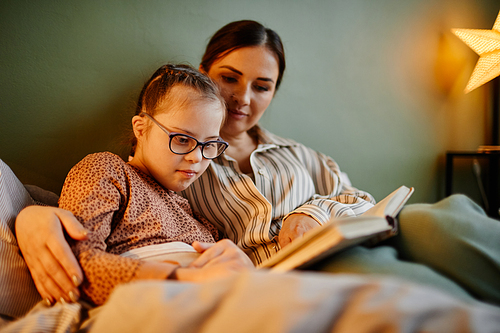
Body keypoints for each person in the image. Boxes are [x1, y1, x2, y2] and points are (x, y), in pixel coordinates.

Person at [16, 20, 500, 307]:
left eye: (262, 85)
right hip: (298, 271)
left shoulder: (296, 153)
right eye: (229, 78)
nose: (243, 98)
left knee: (444, 216)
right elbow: (96, 232)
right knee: (422, 295)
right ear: (204, 75)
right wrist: (33, 217)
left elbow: (360, 198)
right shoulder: (184, 171)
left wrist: (313, 212)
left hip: (365, 233)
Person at [20, 64, 254, 306]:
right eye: (183, 139)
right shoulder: (107, 169)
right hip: (155, 303)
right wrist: (187, 279)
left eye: (209, 145)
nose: (197, 157)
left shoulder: (195, 215)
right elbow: (79, 262)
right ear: (141, 129)